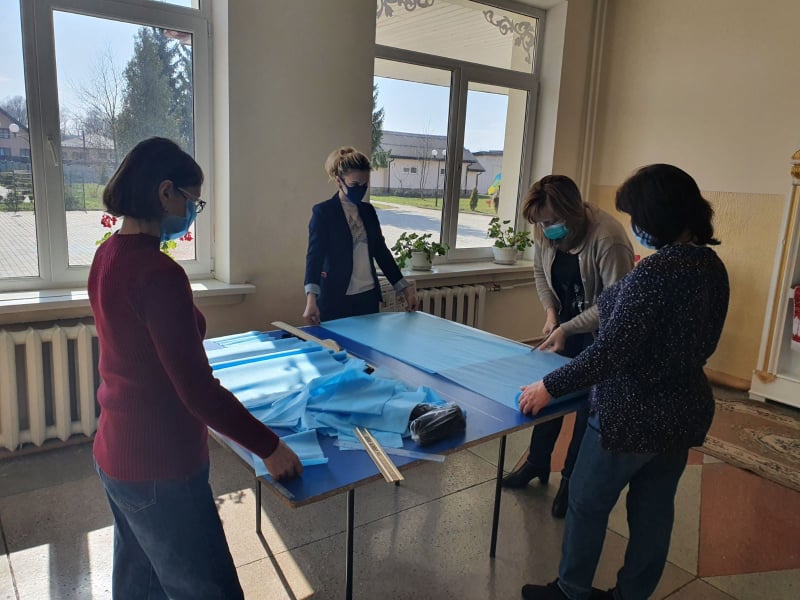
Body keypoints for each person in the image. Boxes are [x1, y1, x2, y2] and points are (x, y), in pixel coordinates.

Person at [88, 137, 302, 600]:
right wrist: (269, 446)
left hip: (116, 453)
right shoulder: (158, 274)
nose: (191, 214)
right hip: (160, 465)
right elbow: (198, 392)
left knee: (141, 584)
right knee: (208, 589)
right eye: (192, 201)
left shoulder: (107, 255)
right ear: (165, 192)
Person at [517, 164, 730, 600]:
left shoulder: (654, 274)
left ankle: (571, 591)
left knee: (586, 501)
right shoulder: (711, 266)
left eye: (636, 215)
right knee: (653, 513)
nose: (634, 225)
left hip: (631, 413)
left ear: (658, 216)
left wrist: (549, 386)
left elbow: (610, 352)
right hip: (682, 409)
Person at [502, 175, 634, 520]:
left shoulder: (608, 239)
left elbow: (613, 304)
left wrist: (568, 327)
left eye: (551, 221)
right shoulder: (544, 231)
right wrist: (551, 315)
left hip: (599, 335)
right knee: (547, 392)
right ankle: (536, 463)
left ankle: (570, 481)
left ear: (572, 212)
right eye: (540, 223)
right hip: (564, 327)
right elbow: (540, 275)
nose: (546, 230)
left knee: (584, 406)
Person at [303, 146, 417, 324]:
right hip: (335, 300)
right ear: (339, 181)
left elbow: (381, 252)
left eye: (364, 185)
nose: (360, 189)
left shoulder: (368, 211)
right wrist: (311, 299)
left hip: (368, 298)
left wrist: (403, 286)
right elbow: (314, 258)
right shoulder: (323, 213)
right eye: (355, 185)